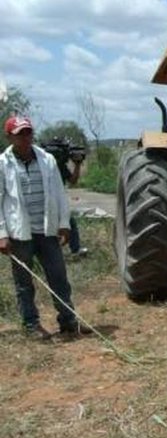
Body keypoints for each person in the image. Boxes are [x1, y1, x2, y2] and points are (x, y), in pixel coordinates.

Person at [0, 117, 89, 339]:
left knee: (58, 277)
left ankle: (68, 322)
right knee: (24, 283)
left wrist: (64, 224)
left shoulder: (47, 160)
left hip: (47, 231)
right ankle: (31, 325)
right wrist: (1, 234)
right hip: (20, 233)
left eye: (28, 132)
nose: (26, 137)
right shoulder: (2, 164)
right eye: (20, 133)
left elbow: (59, 194)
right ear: (9, 137)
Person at [43, 137, 88, 256]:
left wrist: (77, 164)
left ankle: (73, 249)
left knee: (69, 223)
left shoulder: (59, 166)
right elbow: (73, 181)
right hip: (46, 199)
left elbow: (73, 180)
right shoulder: (46, 165)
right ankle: (73, 249)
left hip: (57, 199)